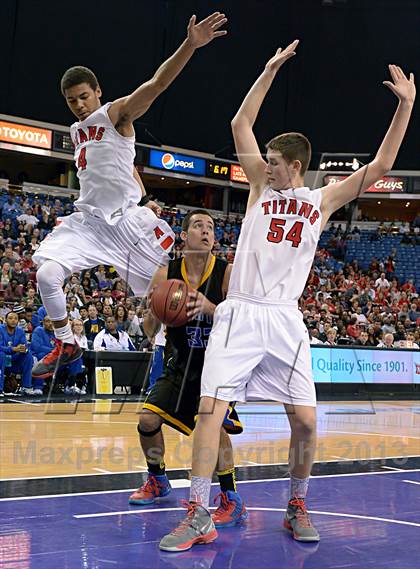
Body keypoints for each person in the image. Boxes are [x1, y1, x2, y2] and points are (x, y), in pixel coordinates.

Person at [160, 41, 416, 551]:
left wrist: (406, 104)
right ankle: (198, 513)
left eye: (274, 161)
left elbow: (383, 162)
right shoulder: (258, 188)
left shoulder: (322, 200)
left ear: (295, 165)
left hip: (283, 318)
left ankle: (296, 503)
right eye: (266, 161)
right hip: (240, 313)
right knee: (209, 411)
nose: (266, 166)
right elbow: (239, 124)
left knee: (303, 419)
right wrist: (269, 69)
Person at [31, 12, 228, 379]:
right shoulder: (76, 131)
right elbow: (121, 168)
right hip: (88, 224)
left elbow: (156, 84)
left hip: (125, 226)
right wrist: (142, 192)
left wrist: (190, 44)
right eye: (72, 100)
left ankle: (203, 364)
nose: (79, 105)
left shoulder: (116, 115)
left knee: (168, 301)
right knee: (46, 275)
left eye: (84, 96)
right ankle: (67, 343)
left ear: (98, 92)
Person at [130, 210, 246, 529]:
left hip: (218, 367)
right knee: (147, 420)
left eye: (210, 227)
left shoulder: (226, 272)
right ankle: (157, 479)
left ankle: (231, 498)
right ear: (184, 236)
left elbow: (244, 319)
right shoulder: (165, 273)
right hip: (180, 363)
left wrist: (210, 308)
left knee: (214, 425)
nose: (206, 231)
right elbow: (149, 330)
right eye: (198, 225)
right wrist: (155, 310)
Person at [0, 311, 36, 396]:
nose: (13, 320)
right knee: (1, 355)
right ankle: (0, 389)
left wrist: (24, 349)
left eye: (16, 318)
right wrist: (13, 349)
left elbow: (25, 345)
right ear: (5, 320)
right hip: (2, 358)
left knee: (28, 355)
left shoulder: (20, 331)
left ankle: (26, 387)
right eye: (10, 318)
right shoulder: (0, 329)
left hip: (14, 360)